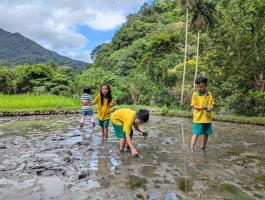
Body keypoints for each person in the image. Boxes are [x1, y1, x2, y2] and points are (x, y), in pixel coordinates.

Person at [190, 76, 215, 152]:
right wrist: (202, 108)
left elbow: (212, 104)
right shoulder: (195, 95)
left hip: (207, 118)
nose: (199, 88)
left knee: (206, 133)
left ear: (206, 85)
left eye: (201, 87)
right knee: (196, 133)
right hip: (198, 118)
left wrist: (210, 108)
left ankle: (203, 147)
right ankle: (191, 149)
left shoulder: (209, 94)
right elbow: (193, 105)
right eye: (198, 87)